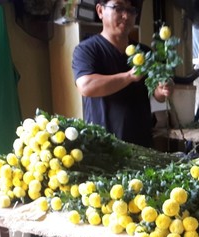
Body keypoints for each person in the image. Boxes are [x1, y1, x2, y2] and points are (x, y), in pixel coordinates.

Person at [72, 0, 172, 147]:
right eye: (118, 8)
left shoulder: (144, 53)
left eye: (131, 10)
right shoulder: (87, 50)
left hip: (142, 144)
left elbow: (156, 95)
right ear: (100, 11)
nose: (126, 16)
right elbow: (86, 86)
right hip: (104, 145)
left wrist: (162, 90)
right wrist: (129, 76)